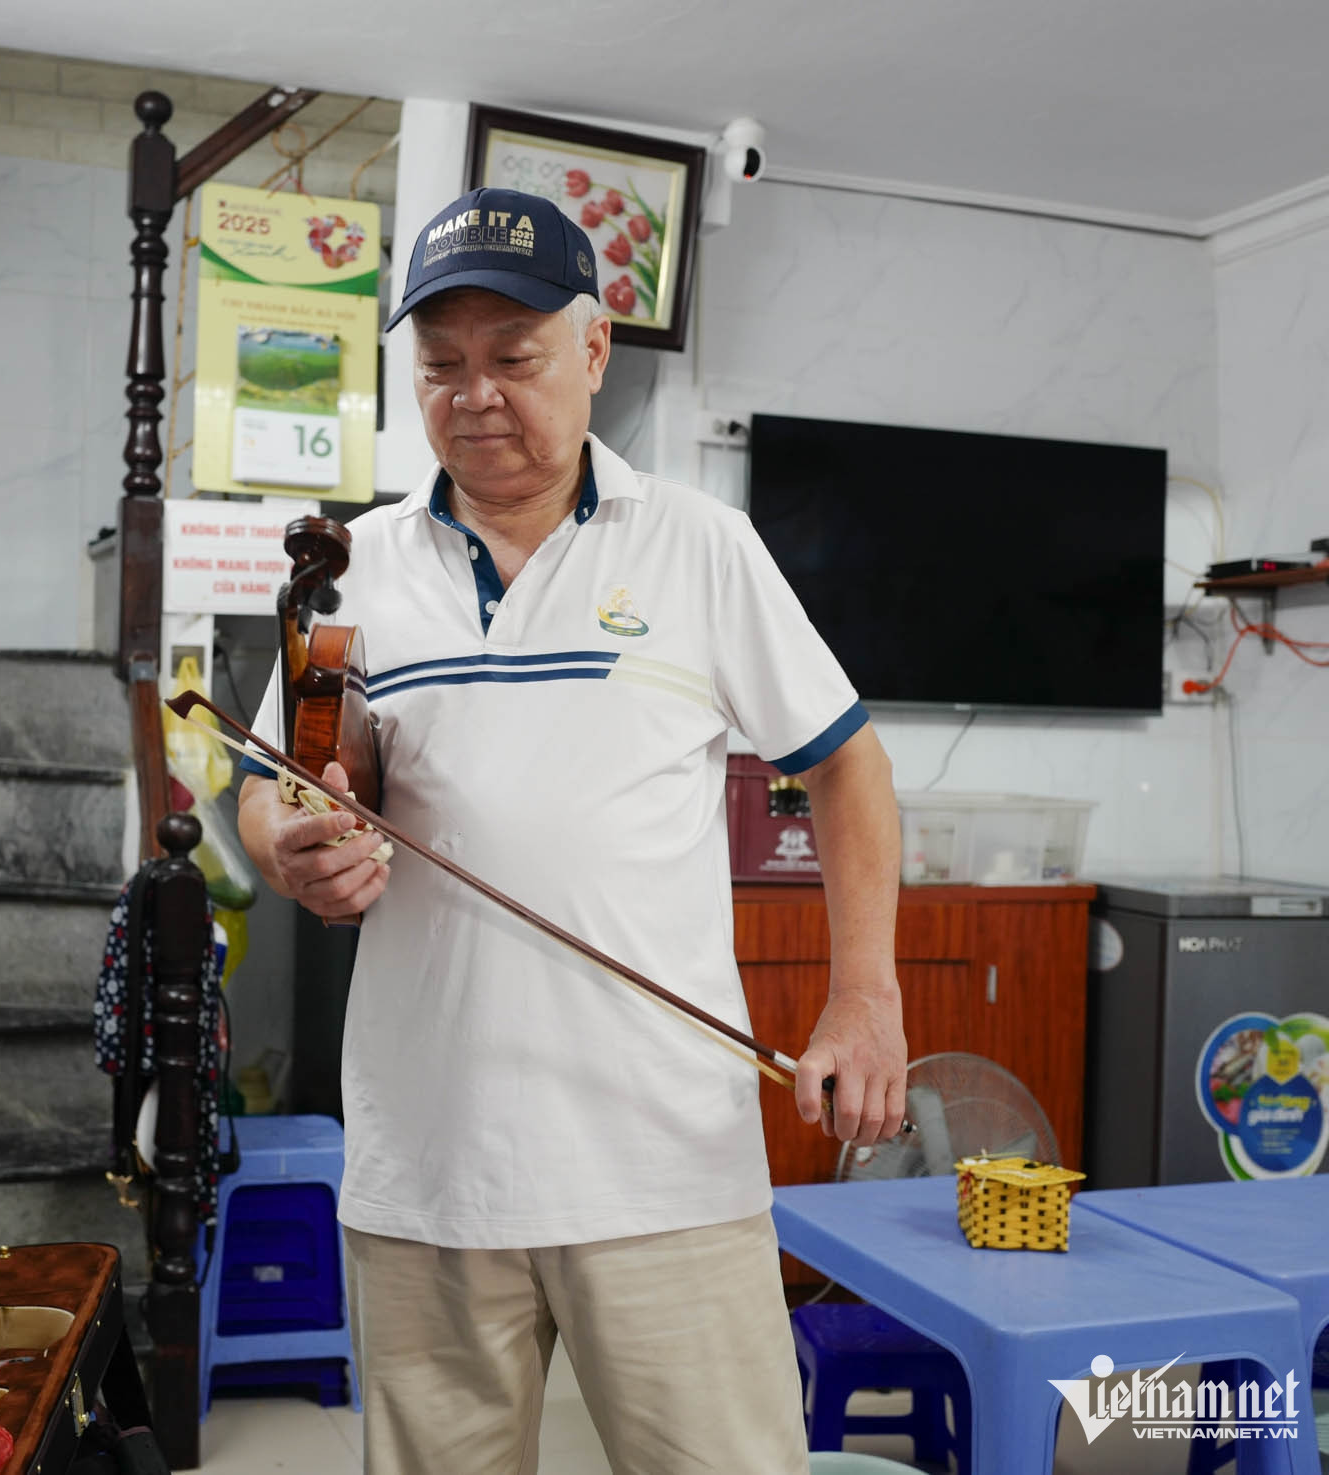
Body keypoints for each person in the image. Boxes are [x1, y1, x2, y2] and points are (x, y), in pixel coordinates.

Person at [235, 186, 907, 1474]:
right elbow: (279, 783)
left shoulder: (700, 547)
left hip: (661, 1164)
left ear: (594, 353)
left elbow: (849, 768)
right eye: (440, 366)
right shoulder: (355, 571)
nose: (474, 394)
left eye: (514, 358)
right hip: (427, 1167)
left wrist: (863, 999)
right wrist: (285, 845)